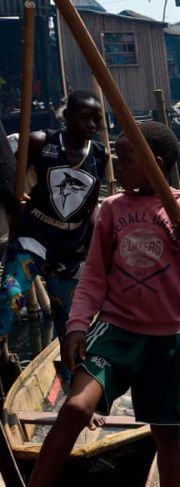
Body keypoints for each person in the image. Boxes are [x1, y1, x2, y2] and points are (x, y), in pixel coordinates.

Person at [4, 121, 180, 487]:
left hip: (163, 340)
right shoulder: (111, 209)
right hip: (114, 331)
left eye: (127, 156)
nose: (116, 163)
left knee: (168, 439)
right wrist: (76, 326)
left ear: (158, 164)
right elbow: (93, 275)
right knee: (74, 408)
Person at [0, 90, 108, 370]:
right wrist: (12, 196)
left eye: (98, 120)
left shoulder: (99, 154)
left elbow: (91, 206)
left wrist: (106, 240)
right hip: (33, 238)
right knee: (11, 299)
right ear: (67, 116)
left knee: (71, 328)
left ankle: (73, 391)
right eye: (85, 118)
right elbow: (9, 177)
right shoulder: (40, 142)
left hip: (71, 250)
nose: (92, 125)